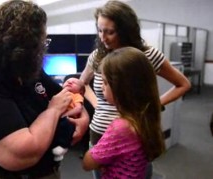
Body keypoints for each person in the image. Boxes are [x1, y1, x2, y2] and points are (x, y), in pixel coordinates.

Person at [0, 1, 89, 178]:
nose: (43, 48)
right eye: (41, 42)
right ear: (22, 44)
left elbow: (65, 96)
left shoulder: (26, 68)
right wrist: (53, 110)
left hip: (44, 170)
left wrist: (83, 117)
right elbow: (21, 154)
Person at [79, 1, 191, 178]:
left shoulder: (146, 55)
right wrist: (97, 104)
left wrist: (153, 106)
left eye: (109, 31)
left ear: (125, 30)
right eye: (100, 30)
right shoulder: (97, 56)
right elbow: (83, 83)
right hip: (100, 132)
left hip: (134, 134)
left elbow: (183, 84)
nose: (103, 37)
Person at [82, 47, 166, 178]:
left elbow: (87, 163)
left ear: (121, 87)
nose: (100, 86)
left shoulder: (121, 128)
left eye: (105, 82)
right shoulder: (143, 117)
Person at [52, 77, 86, 161]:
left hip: (69, 118)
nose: (70, 82)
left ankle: (63, 147)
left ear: (81, 91)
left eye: (74, 83)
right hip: (58, 116)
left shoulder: (76, 95)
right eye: (67, 81)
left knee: (65, 127)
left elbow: (78, 108)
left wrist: (65, 115)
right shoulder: (60, 93)